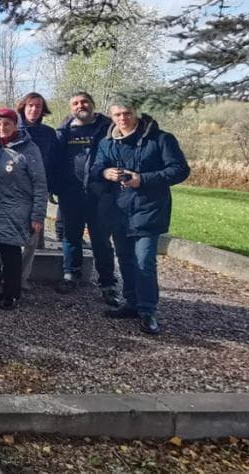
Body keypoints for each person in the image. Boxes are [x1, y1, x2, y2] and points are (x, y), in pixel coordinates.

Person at [91, 98, 190, 335]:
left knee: (144, 261)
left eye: (126, 114)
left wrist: (143, 179)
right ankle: (132, 303)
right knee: (125, 260)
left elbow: (179, 169)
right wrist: (106, 172)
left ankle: (148, 310)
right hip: (118, 209)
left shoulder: (161, 139)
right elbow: (95, 167)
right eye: (117, 115)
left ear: (136, 113)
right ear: (111, 117)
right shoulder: (107, 142)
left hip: (148, 208)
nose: (122, 119)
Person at [0, 108, 49, 310]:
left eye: (6, 124)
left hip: (17, 209)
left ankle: (12, 293)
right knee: (3, 250)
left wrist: (37, 215)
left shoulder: (29, 149)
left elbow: (40, 184)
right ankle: (6, 287)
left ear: (15, 125)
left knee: (11, 252)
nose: (2, 128)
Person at [54, 91, 119, 305]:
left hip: (100, 193)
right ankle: (71, 274)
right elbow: (55, 160)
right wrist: (55, 186)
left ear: (92, 104)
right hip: (70, 192)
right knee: (70, 236)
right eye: (75, 103)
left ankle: (107, 283)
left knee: (100, 239)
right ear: (71, 107)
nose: (80, 105)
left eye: (84, 102)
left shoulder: (108, 128)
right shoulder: (64, 131)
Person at [16, 92, 58, 290]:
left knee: (32, 237)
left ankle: (22, 276)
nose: (34, 109)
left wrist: (52, 187)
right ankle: (8, 271)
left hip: (38, 190)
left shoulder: (49, 134)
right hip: (14, 190)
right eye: (30, 105)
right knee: (11, 235)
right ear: (23, 107)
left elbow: (54, 162)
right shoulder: (12, 129)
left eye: (38, 106)